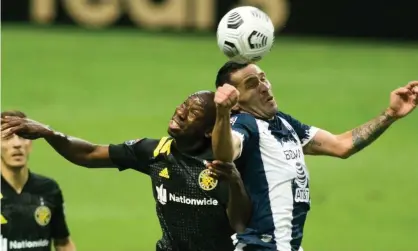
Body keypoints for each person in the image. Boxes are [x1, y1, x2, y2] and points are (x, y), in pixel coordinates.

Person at [1, 91, 252, 251]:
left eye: (193, 112)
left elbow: (240, 224)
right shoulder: (155, 152)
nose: (181, 112)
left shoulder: (219, 165)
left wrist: (235, 181)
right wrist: (48, 132)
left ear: (210, 130)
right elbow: (89, 154)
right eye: (183, 104)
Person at [211, 61, 418, 251]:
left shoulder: (282, 122)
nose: (264, 86)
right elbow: (225, 153)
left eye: (263, 78)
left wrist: (391, 114)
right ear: (236, 102)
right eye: (251, 84)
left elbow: (341, 145)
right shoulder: (243, 123)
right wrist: (223, 113)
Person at [0, 110, 76, 251]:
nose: (17, 144)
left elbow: (63, 243)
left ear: (31, 143)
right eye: (7, 137)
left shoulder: (48, 189)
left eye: (23, 136)